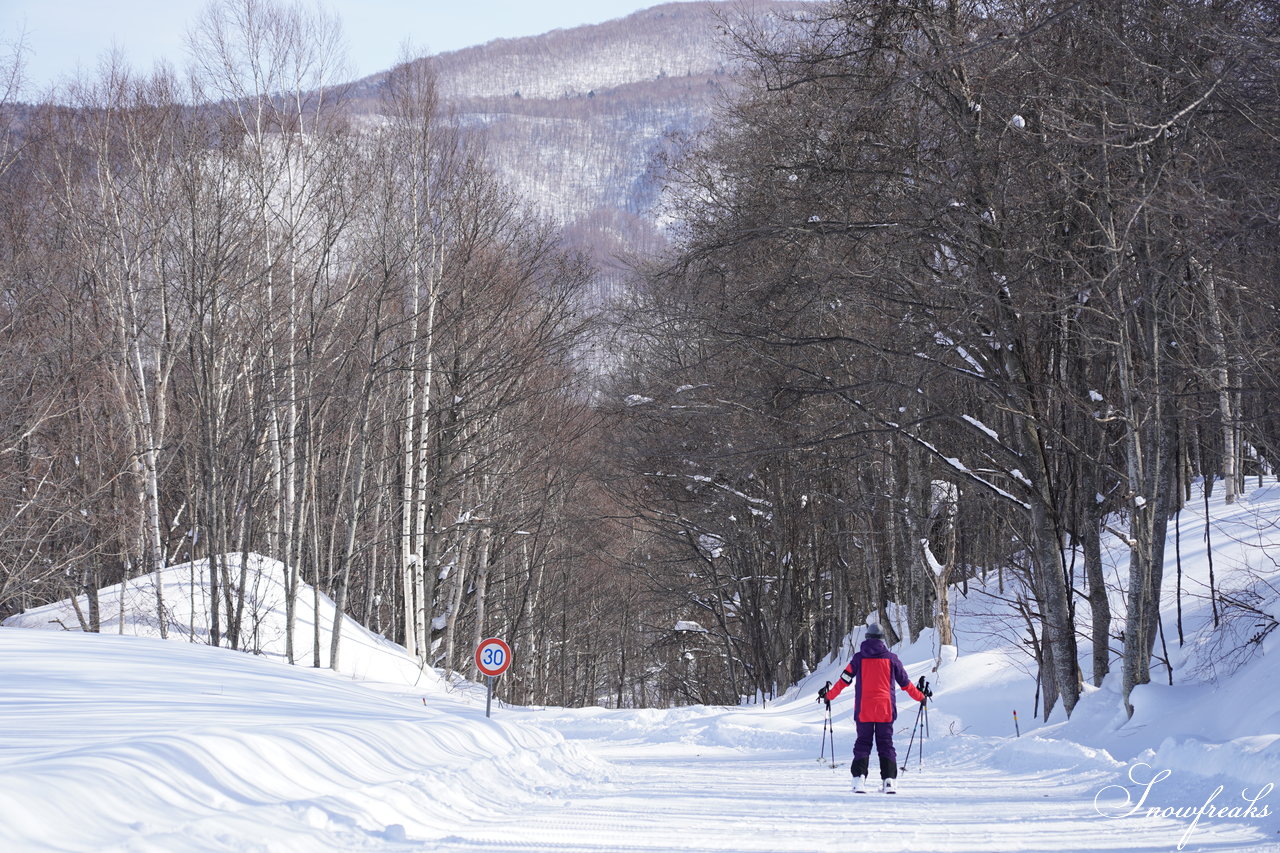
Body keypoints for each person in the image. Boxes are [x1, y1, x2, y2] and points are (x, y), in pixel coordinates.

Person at [818, 623, 927, 794]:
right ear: (883, 640)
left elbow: (844, 680)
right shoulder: (892, 659)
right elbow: (905, 684)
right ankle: (889, 781)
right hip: (885, 708)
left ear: (867, 638)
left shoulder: (858, 659)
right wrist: (921, 697)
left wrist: (829, 696)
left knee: (863, 743)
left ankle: (858, 781)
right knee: (886, 743)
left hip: (864, 709)